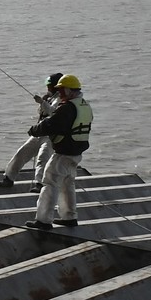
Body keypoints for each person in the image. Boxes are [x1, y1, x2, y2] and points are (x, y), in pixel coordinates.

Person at [26, 73, 92, 229]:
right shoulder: (84, 105)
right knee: (67, 185)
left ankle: (43, 220)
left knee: (49, 183)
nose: (60, 95)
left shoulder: (67, 108)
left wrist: (34, 130)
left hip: (63, 153)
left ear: (70, 90)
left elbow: (50, 124)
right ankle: (69, 217)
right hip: (76, 154)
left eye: (62, 91)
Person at [0, 72, 64, 191]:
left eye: (50, 86)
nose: (48, 88)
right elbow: (41, 112)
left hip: (50, 135)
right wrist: (43, 102)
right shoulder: (49, 97)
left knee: (43, 158)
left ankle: (39, 184)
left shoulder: (61, 99)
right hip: (40, 132)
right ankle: (8, 178)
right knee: (21, 153)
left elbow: (53, 113)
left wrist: (43, 103)